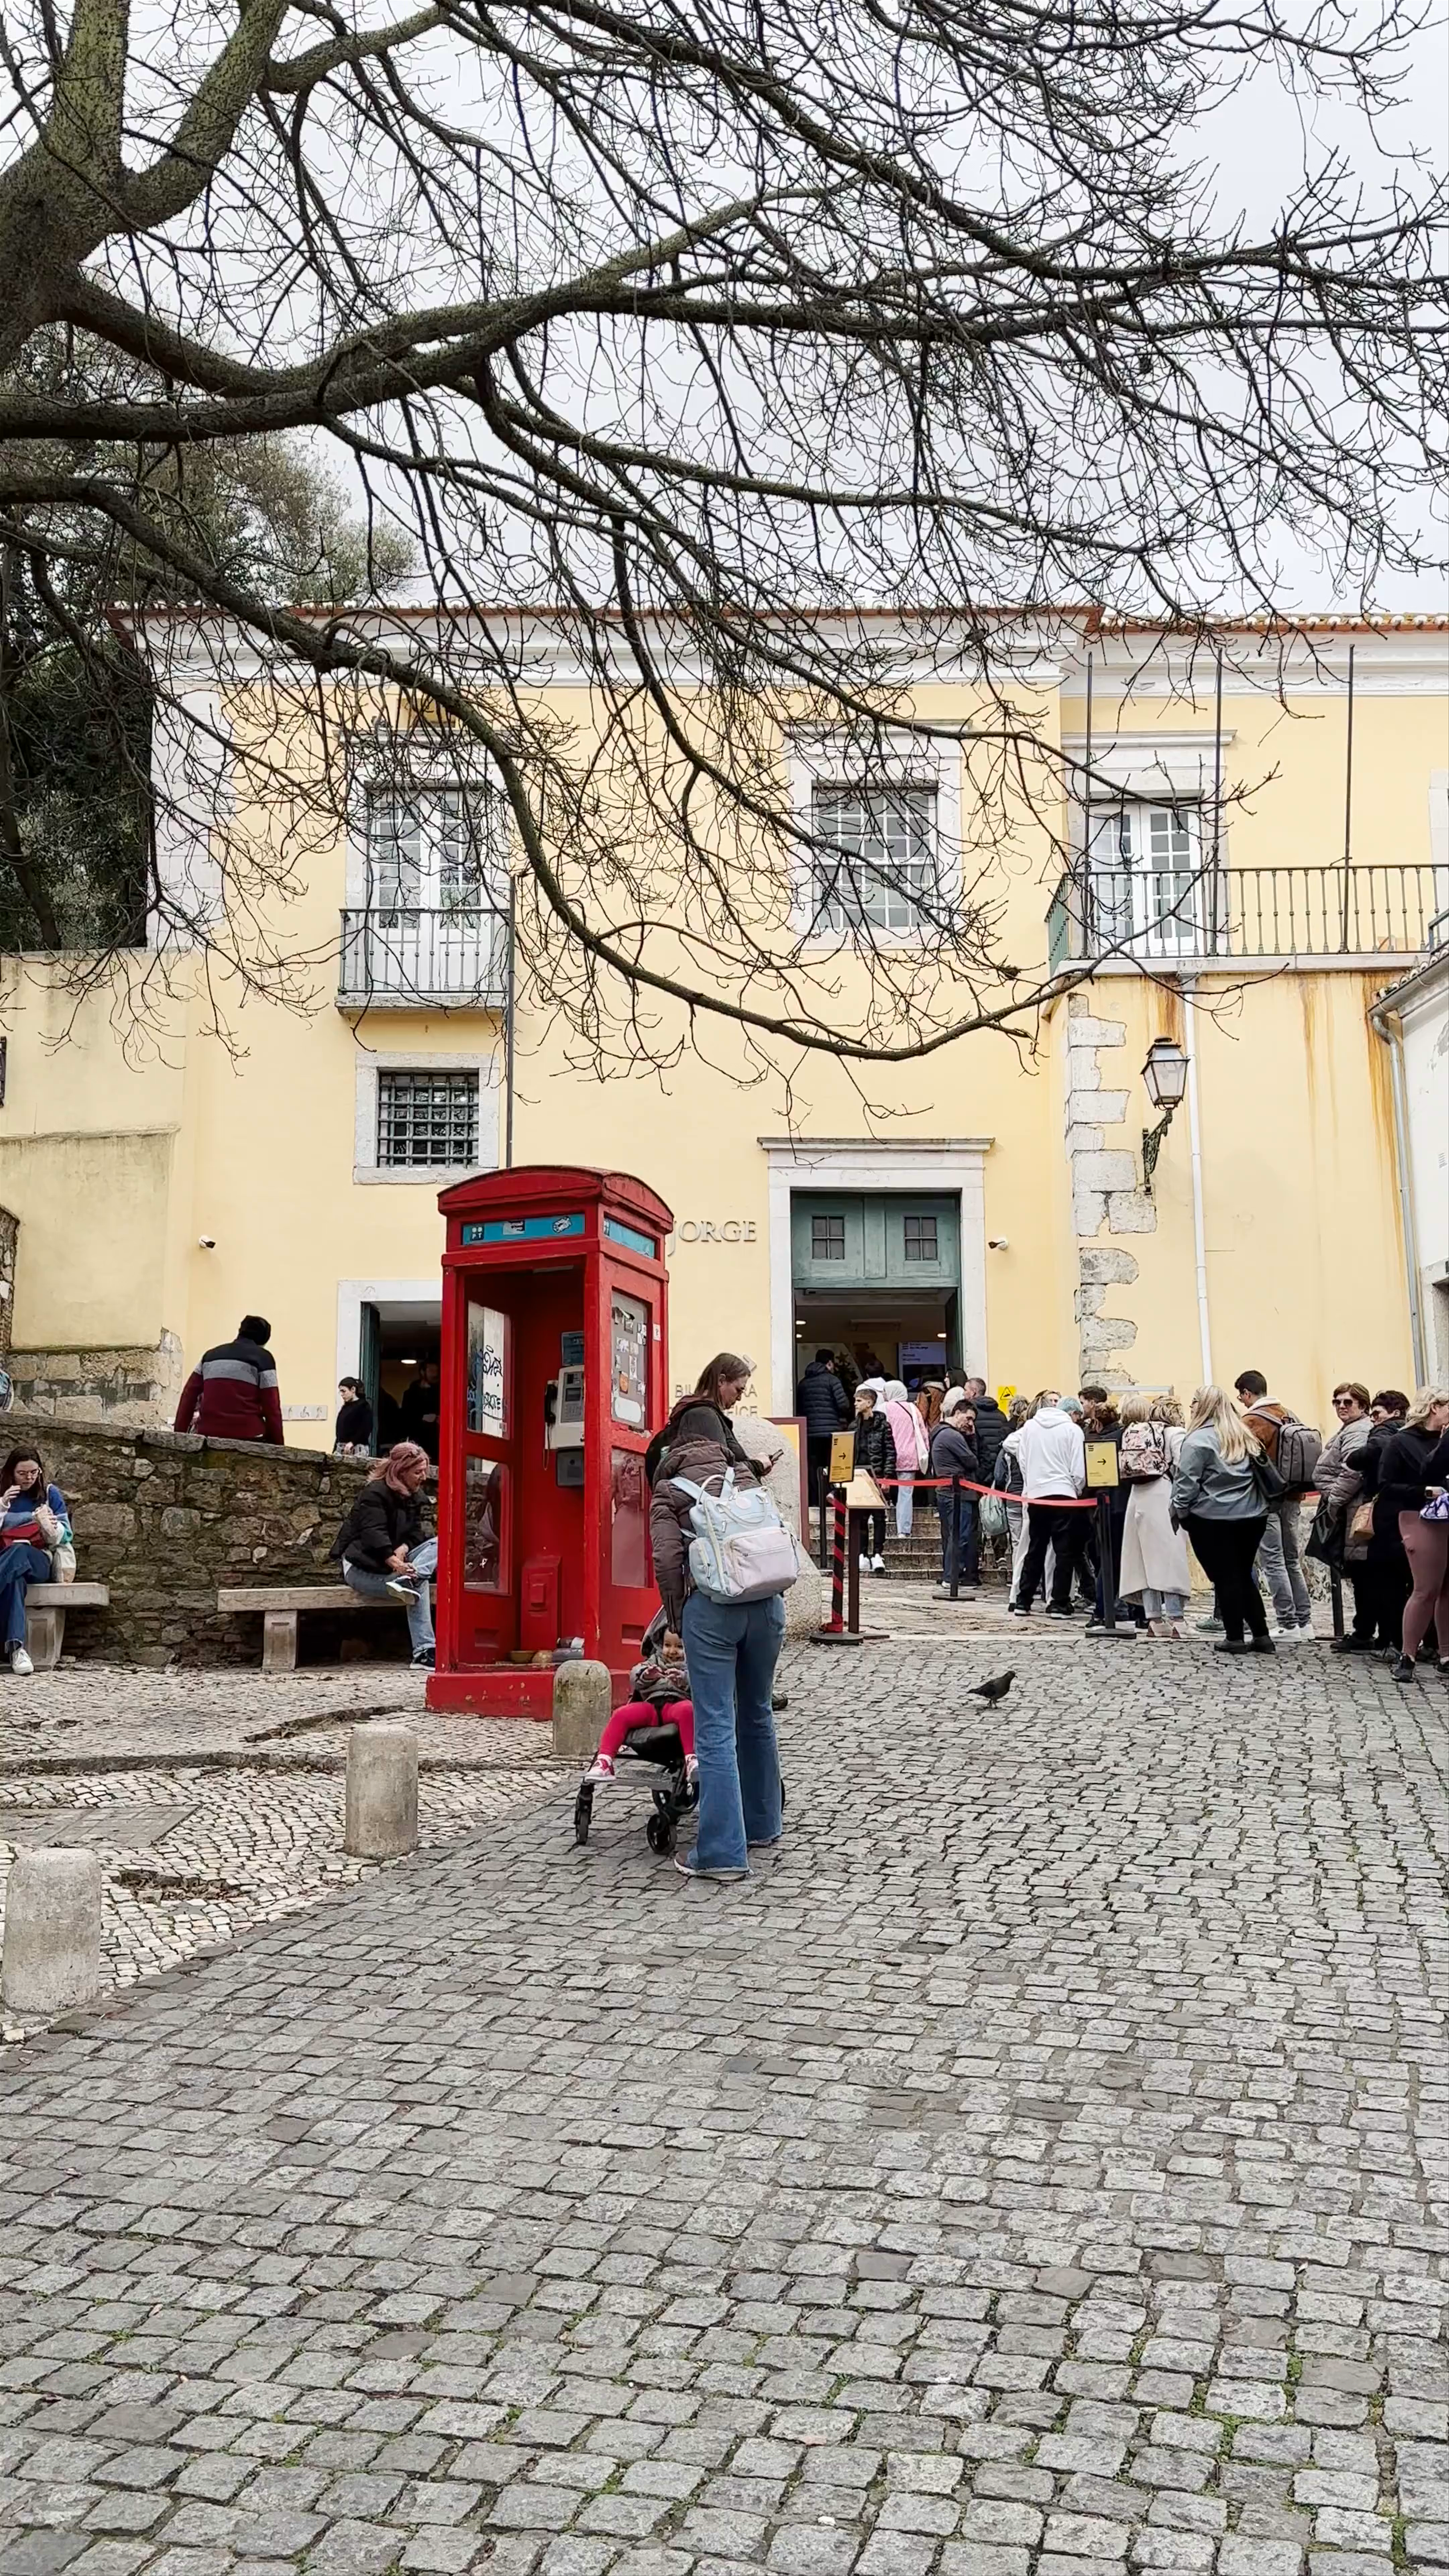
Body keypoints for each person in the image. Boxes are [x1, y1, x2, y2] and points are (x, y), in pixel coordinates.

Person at [649, 1403, 784, 1881]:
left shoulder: (668, 1489)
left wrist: (676, 1616)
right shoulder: (744, 1471)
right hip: (768, 1604)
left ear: (677, 1443)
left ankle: (723, 1852)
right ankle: (764, 1824)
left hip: (712, 1609)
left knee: (714, 1725)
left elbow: (667, 1560)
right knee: (757, 1711)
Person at [1172, 1386, 1272, 1653]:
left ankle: (1235, 1636)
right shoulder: (1244, 1435)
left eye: (1194, 1402)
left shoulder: (1197, 1441)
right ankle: (1261, 1634)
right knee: (1242, 1573)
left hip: (1213, 1518)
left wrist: (1181, 1513)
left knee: (1226, 1576)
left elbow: (1187, 1484)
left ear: (1202, 1406)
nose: (1191, 1406)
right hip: (1253, 1516)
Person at [330, 1441, 438, 1668]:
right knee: (418, 1584)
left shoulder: (414, 1496)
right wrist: (395, 1562)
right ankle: (424, 1653)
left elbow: (418, 1534)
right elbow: (373, 1535)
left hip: (397, 1564)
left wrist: (404, 1549)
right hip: (363, 1568)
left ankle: (411, 1578)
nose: (424, 1477)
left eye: (425, 1471)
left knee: (443, 1544)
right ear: (402, 1471)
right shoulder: (374, 1494)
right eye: (418, 1472)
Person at [1234, 1369, 1314, 1643]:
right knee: (1292, 1560)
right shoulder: (1288, 1413)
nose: (1241, 1401)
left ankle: (1287, 1621)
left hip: (1266, 1498)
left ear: (1247, 1393)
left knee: (1273, 1561)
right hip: (1293, 1496)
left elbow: (1240, 1458)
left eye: (1241, 1395)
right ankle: (1305, 1622)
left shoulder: (1252, 1420)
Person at [1375, 1388, 1449, 1681]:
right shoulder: (1401, 1442)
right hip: (1419, 1517)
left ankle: (1446, 1654)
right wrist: (1423, 1491)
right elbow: (1386, 1485)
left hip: (1447, 1516)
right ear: (1434, 1407)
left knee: (1448, 1589)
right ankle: (1408, 1655)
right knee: (1426, 1588)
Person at [1341, 1391, 1412, 1652]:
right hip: (1411, 1512)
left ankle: (1392, 1641)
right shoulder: (1415, 1433)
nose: (1374, 1420)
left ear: (1394, 1413)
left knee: (1385, 1582)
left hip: (1385, 1512)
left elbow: (1363, 1456)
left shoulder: (1384, 1433)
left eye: (1377, 1413)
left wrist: (1354, 1457)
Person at [1117, 1394, 1191, 1638]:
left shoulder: (1130, 1432)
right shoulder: (1170, 1433)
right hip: (1163, 1492)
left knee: (1144, 1561)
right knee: (1169, 1559)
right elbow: (1185, 1466)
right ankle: (1177, 1619)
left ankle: (1154, 1620)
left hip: (1137, 1496)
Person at [583, 1627, 697, 1784]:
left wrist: (684, 1679)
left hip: (676, 1705)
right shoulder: (654, 1661)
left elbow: (701, 1683)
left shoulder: (693, 1665)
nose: (672, 1651)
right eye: (667, 1645)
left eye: (679, 1647)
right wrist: (646, 1676)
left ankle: (691, 1759)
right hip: (652, 1706)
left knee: (688, 1710)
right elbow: (636, 1674)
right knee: (621, 1714)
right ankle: (604, 1761)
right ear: (660, 1645)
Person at [1011, 1391, 1088, 1618]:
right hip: (1064, 1493)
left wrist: (1033, 1483)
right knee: (1064, 1551)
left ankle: (1023, 1600)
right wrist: (1076, 1489)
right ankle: (1059, 1602)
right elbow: (1078, 1467)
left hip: (1036, 1494)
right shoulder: (1073, 1431)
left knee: (1035, 1548)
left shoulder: (1029, 1429)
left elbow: (1022, 1460)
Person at [646, 1352, 769, 1489]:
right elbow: (718, 1474)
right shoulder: (703, 1416)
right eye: (739, 1390)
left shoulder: (699, 1414)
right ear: (721, 1381)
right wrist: (757, 1465)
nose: (739, 1398)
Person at [0, 1448, 69, 1676]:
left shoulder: (50, 1493)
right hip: (6, 1561)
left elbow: (67, 1534)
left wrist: (49, 1525)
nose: (29, 1478)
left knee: (20, 1550)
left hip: (39, 1561)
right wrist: (2, 1508)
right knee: (15, 1582)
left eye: (34, 1472)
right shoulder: (2, 1493)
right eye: (22, 1473)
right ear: (11, 1472)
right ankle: (16, 1649)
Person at [1315, 1383, 1374, 1651]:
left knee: (1364, 1574)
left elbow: (1353, 1472)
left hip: (1354, 1510)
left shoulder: (1358, 1431)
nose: (1341, 1406)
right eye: (1337, 1401)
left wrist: (1334, 1499)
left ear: (1363, 1405)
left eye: (1348, 1402)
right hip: (1347, 1506)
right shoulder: (1349, 1429)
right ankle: (1363, 1628)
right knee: (1359, 1572)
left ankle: (1364, 1631)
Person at [175, 1314, 283, 1444]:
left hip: (208, 1435)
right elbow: (272, 1408)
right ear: (264, 1341)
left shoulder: (210, 1356)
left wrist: (179, 1436)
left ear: (240, 1332)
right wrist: (279, 1446)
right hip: (249, 1436)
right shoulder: (264, 1359)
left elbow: (189, 1396)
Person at [931, 1390, 978, 1597]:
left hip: (947, 1491)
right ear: (957, 1413)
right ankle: (951, 1576)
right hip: (956, 1492)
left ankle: (951, 1575)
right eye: (968, 1418)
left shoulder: (941, 1433)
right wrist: (972, 1438)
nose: (970, 1423)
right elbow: (972, 1462)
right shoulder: (952, 1435)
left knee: (953, 1534)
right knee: (960, 1534)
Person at [796, 1347, 851, 1504]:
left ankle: (816, 1500)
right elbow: (843, 1405)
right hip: (830, 1433)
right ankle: (831, 1497)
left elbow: (799, 1408)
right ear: (829, 1363)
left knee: (814, 1467)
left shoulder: (803, 1383)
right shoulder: (832, 1380)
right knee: (832, 1467)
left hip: (810, 1433)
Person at [994, 1395, 1032, 1605]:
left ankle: (1018, 1585)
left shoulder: (1009, 1446)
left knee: (1018, 1542)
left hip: (1013, 1495)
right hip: (1032, 1494)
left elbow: (1000, 1475)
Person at [851, 1384, 893, 1572]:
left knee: (878, 1517)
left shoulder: (883, 1426)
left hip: (876, 1475)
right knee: (859, 1517)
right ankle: (862, 1553)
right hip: (858, 1476)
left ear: (870, 1403)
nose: (855, 1404)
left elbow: (890, 1452)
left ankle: (878, 1553)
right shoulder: (854, 1426)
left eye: (859, 1401)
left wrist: (887, 1478)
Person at [883, 1379, 926, 1537]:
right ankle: (904, 1530)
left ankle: (882, 1520)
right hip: (909, 1457)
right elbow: (923, 1434)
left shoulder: (883, 1408)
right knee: (906, 1495)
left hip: (887, 1456)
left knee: (881, 1490)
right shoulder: (913, 1409)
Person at [399, 1358, 442, 1463]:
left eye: (437, 1371)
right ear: (423, 1372)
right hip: (417, 1439)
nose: (435, 1375)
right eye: (431, 1371)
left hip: (437, 1441)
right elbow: (405, 1418)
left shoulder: (441, 1392)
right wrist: (422, 1418)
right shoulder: (410, 1394)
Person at [964, 1378, 1008, 1481]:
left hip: (977, 1471)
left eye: (965, 1390)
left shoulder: (969, 1416)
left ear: (973, 1392)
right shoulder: (1001, 1416)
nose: (964, 1394)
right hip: (997, 1471)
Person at [334, 1376, 374, 1454]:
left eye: (344, 1391)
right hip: (342, 1447)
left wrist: (353, 1443)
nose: (342, 1395)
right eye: (341, 1392)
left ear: (353, 1390)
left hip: (357, 1448)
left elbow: (366, 1428)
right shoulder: (345, 1407)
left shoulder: (364, 1406)